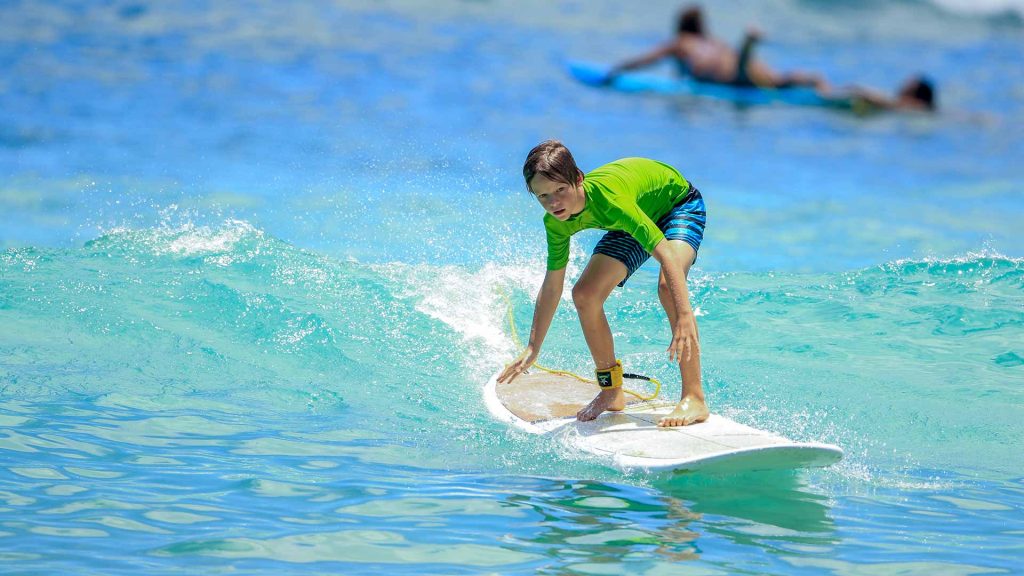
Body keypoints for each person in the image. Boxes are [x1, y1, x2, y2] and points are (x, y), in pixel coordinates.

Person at [497, 141, 708, 427]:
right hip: (630, 220)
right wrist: (534, 347)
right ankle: (611, 391)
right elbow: (552, 285)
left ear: (578, 179)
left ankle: (694, 398)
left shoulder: (611, 201)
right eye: (543, 196)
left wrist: (684, 315)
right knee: (585, 294)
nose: (554, 202)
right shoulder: (556, 222)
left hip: (677, 206)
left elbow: (667, 254)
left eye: (561, 190)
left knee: (668, 288)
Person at [604, 5, 825, 90]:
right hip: (757, 70)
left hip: (728, 76)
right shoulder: (714, 41)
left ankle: (749, 41)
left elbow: (647, 60)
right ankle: (823, 85)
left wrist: (617, 69)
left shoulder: (680, 41)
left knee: (741, 75)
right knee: (780, 80)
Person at [821, 75, 937, 113]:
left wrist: (859, 91)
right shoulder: (912, 105)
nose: (902, 86)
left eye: (907, 87)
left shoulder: (915, 106)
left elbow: (886, 103)